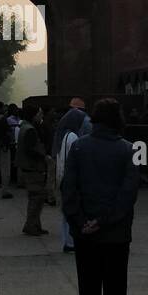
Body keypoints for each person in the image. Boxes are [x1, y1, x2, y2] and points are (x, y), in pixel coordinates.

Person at [61, 97, 140, 295]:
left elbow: (69, 188)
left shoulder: (79, 148)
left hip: (85, 235)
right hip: (116, 233)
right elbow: (128, 194)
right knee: (116, 289)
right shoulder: (128, 150)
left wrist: (80, 221)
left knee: (89, 288)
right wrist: (105, 220)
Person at [55, 106, 88, 252]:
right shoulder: (74, 137)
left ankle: (68, 241)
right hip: (71, 179)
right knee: (73, 211)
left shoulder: (66, 135)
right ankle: (71, 241)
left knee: (66, 212)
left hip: (64, 178)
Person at [16, 103, 48, 236]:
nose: (41, 115)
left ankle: (35, 224)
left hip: (28, 167)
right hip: (33, 167)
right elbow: (31, 150)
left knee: (35, 198)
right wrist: (43, 155)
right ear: (33, 115)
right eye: (39, 113)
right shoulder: (30, 130)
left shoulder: (24, 127)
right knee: (36, 198)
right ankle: (31, 225)